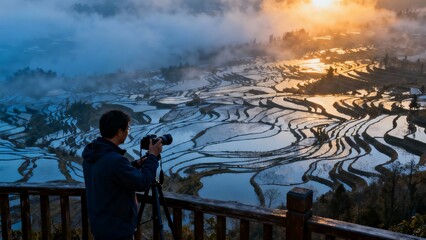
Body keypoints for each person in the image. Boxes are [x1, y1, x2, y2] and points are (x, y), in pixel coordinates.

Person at [82, 110, 162, 240]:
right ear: (119, 132)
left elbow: (108, 173)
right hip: (117, 231)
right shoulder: (115, 160)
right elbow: (143, 182)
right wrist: (153, 157)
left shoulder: (92, 154)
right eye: (127, 128)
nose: (128, 131)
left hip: (100, 227)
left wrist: (135, 164)